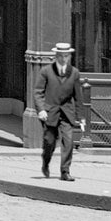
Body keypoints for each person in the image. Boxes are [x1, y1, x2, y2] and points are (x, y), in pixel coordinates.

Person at [36, 40, 83, 181]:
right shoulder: (46, 71)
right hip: (50, 112)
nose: (63, 59)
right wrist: (41, 109)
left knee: (68, 142)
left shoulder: (74, 73)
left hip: (67, 113)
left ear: (69, 57)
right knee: (49, 142)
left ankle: (65, 171)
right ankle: (46, 162)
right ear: (56, 56)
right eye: (61, 56)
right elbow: (38, 92)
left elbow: (78, 96)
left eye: (66, 56)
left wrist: (81, 117)